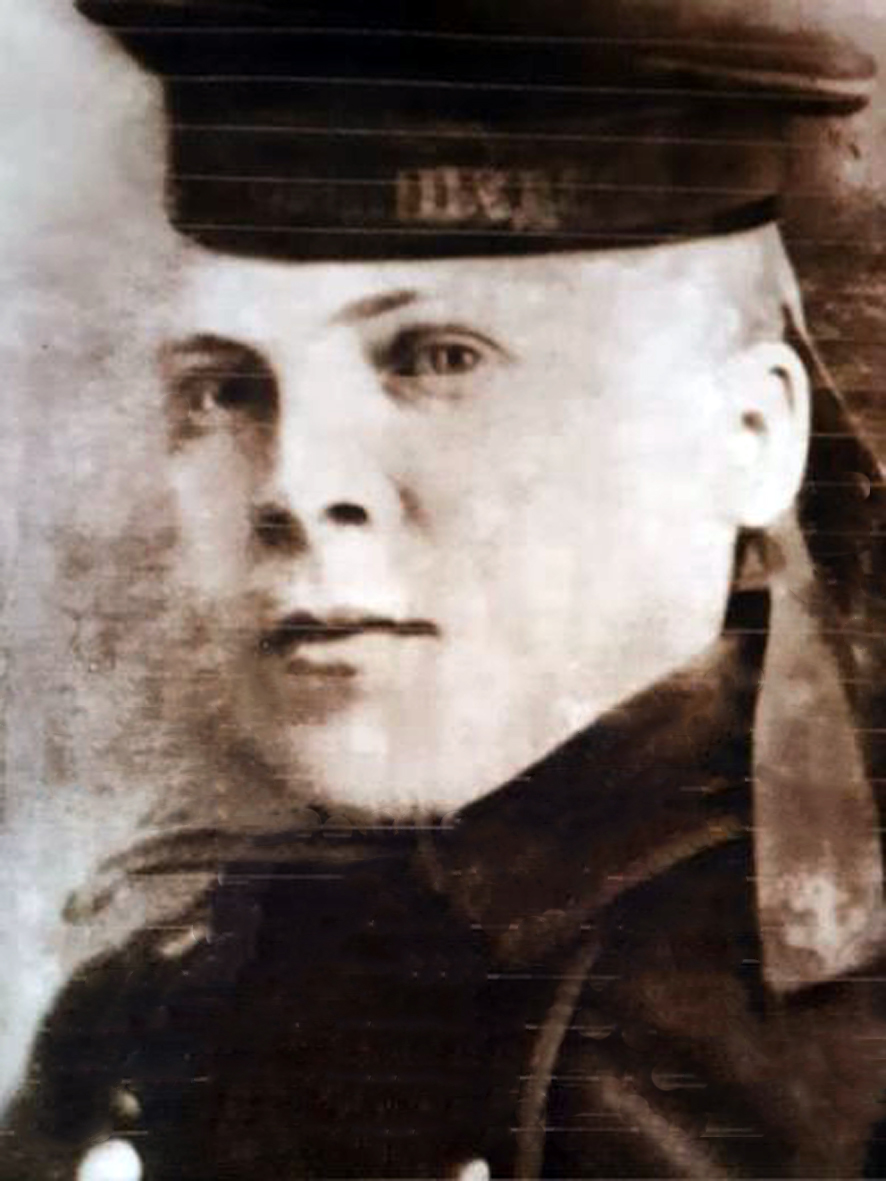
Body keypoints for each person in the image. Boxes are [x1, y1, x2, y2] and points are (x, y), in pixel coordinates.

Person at [4, 2, 886, 1178]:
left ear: (747, 435)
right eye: (226, 387)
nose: (295, 483)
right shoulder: (156, 1024)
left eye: (436, 359)